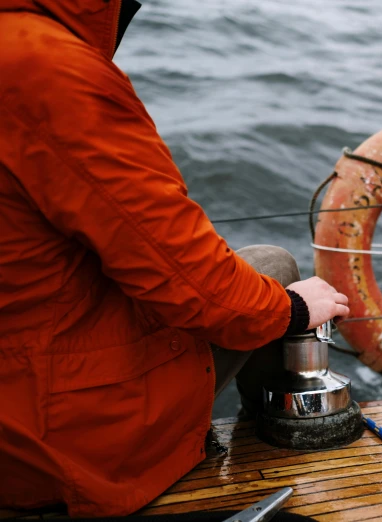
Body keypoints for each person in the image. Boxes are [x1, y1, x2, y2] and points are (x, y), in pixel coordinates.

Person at [0, 0, 349, 516]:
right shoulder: (46, 67)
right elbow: (196, 286)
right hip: (56, 446)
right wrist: (292, 311)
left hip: (25, 372)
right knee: (276, 273)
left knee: (263, 273)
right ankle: (257, 470)